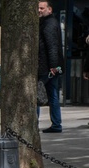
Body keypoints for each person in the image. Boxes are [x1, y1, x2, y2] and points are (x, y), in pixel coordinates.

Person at [38, 0, 64, 133]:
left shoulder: (48, 24)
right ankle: (56, 124)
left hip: (46, 66)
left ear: (50, 9)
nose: (40, 10)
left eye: (42, 8)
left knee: (37, 94)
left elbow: (52, 46)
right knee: (52, 94)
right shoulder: (50, 22)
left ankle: (52, 124)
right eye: (39, 8)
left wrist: (53, 65)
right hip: (50, 66)